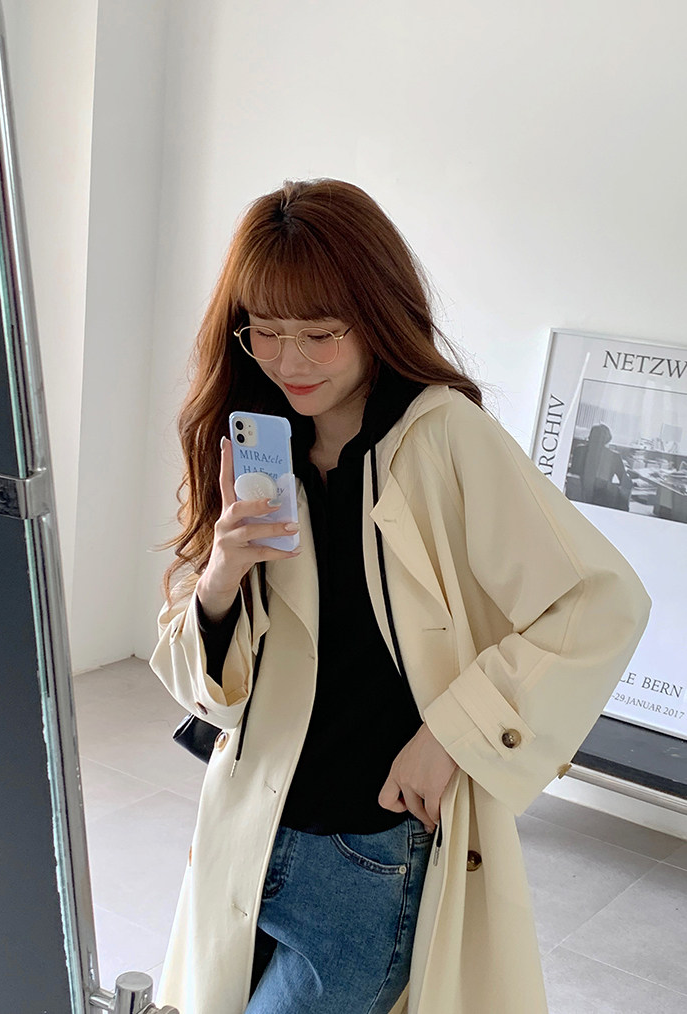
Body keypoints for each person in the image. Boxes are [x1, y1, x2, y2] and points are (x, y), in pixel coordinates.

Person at [148, 179, 651, 1014]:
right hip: (248, 837)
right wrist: (221, 577)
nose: (289, 361)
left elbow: (601, 601)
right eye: (265, 330)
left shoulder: (442, 436)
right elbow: (203, 691)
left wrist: (453, 732)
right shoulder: (254, 439)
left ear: (376, 314)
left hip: (368, 859)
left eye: (320, 333)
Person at [567, 423, 633, 510]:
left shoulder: (579, 450)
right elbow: (625, 482)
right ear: (607, 440)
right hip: (601, 501)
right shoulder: (614, 456)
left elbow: (573, 475)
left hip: (576, 499)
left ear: (590, 437)